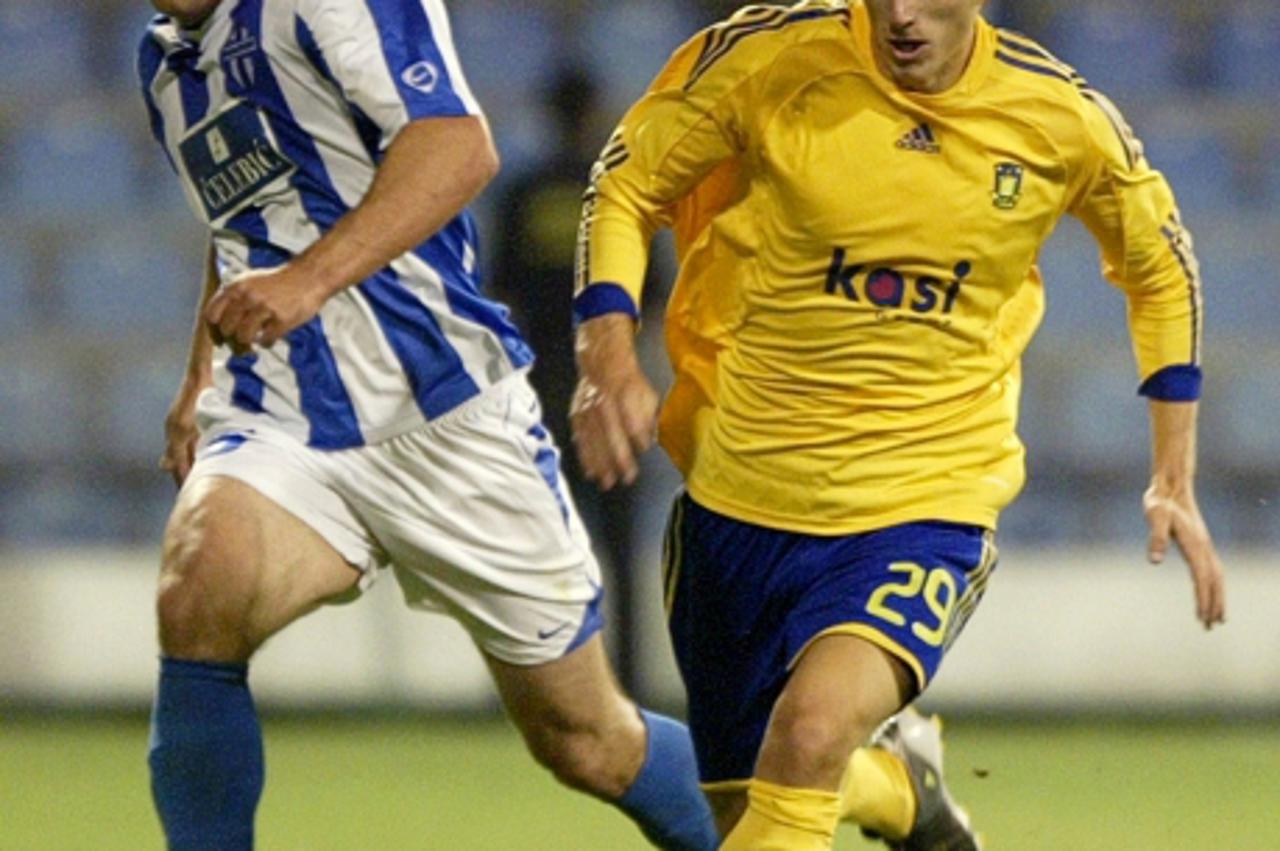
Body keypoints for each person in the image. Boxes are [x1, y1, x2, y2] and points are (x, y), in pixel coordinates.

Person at [569, 2, 1227, 850]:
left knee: (807, 738)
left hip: (924, 499)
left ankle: (877, 776)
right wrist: (607, 357)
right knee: (743, 804)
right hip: (738, 501)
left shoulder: (1058, 118)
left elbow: (1161, 268)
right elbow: (625, 182)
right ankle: (897, 789)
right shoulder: (770, 59)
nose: (901, 15)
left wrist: (1172, 473)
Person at [136, 1, 718, 849]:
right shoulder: (164, 64)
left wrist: (310, 280)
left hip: (445, 415)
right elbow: (243, 222)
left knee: (590, 743)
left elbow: (455, 144)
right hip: (288, 410)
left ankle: (814, 795)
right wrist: (199, 374)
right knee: (198, 585)